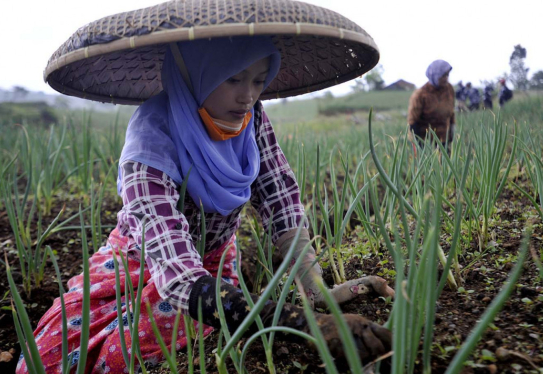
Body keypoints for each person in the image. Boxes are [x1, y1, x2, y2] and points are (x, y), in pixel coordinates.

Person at [20, 33, 394, 374]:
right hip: (148, 265)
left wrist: (316, 291)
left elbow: (280, 201)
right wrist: (308, 327)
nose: (247, 94)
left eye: (258, 80)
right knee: (66, 358)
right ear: (192, 74)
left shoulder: (252, 120)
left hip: (214, 266)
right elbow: (178, 273)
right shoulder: (151, 140)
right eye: (233, 78)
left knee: (201, 337)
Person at [407, 60, 456, 150]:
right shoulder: (421, 94)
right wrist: (418, 143)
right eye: (443, 75)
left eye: (447, 75)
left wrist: (452, 130)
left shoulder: (449, 89)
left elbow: (451, 112)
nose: (446, 78)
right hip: (426, 140)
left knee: (445, 162)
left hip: (444, 138)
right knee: (430, 163)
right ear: (435, 75)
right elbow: (412, 121)